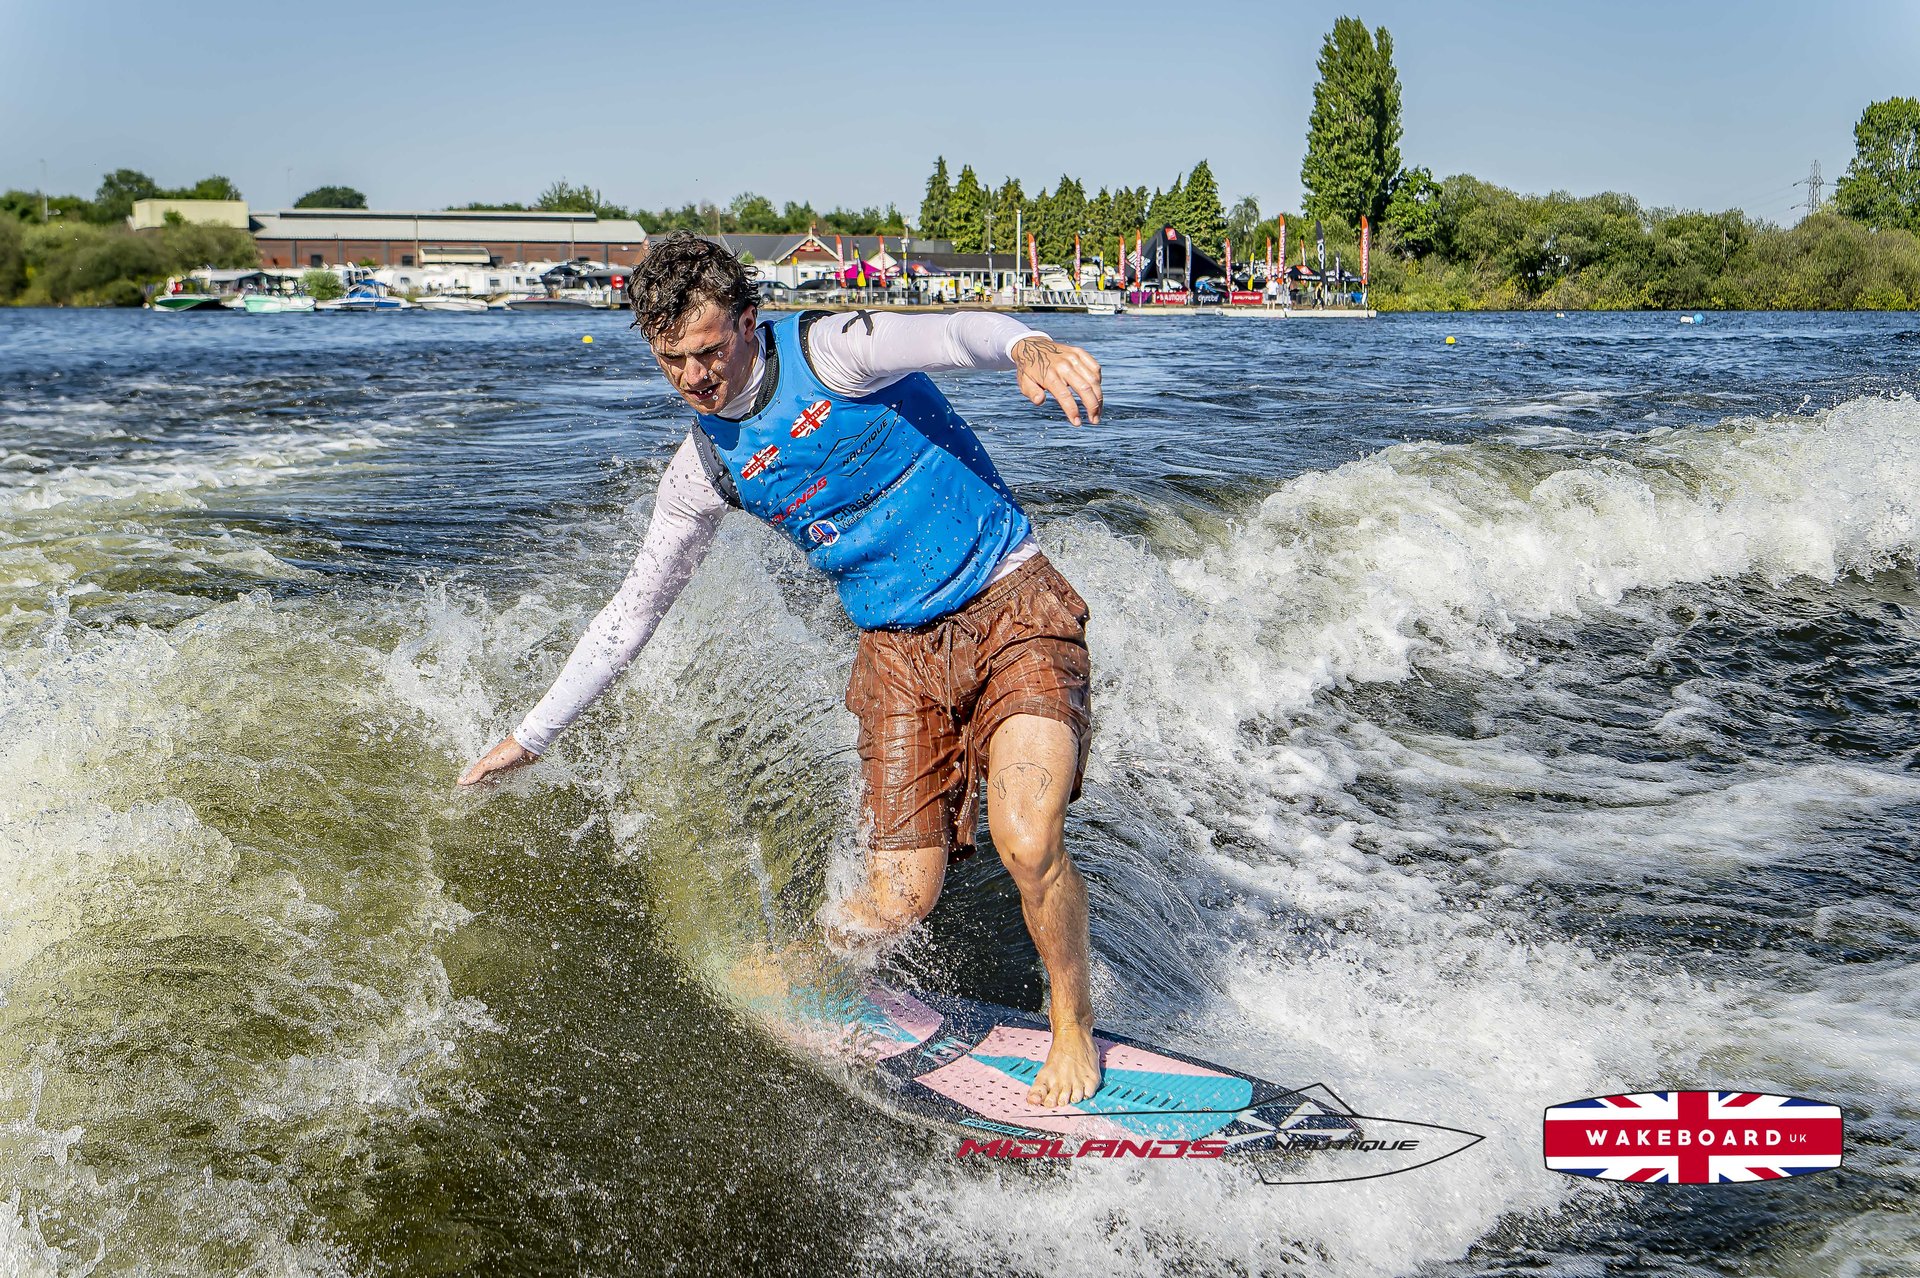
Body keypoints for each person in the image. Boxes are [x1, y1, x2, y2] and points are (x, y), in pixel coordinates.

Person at [459, 233, 1108, 1106]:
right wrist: (529, 738)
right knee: (895, 903)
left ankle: (1073, 1026)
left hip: (1008, 605)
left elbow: (957, 334)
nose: (694, 378)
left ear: (750, 324)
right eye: (671, 362)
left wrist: (1027, 344)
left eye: (707, 352)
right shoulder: (703, 472)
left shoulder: (834, 351)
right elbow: (632, 613)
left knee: (1026, 839)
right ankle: (795, 967)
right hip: (900, 658)